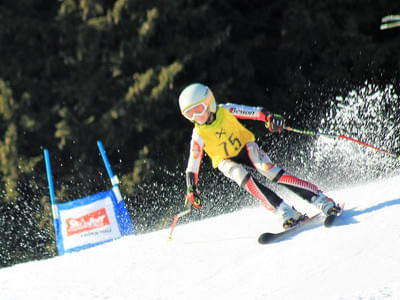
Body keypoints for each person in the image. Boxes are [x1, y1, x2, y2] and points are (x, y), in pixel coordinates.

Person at [178, 83, 341, 229]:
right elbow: (192, 165)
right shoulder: (198, 133)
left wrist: (269, 118)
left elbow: (254, 112)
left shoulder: (225, 110)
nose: (196, 117)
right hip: (225, 160)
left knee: (270, 172)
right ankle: (283, 211)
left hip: (245, 147)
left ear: (209, 103)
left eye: (198, 110)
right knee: (241, 177)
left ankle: (320, 199)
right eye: (189, 114)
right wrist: (191, 188)